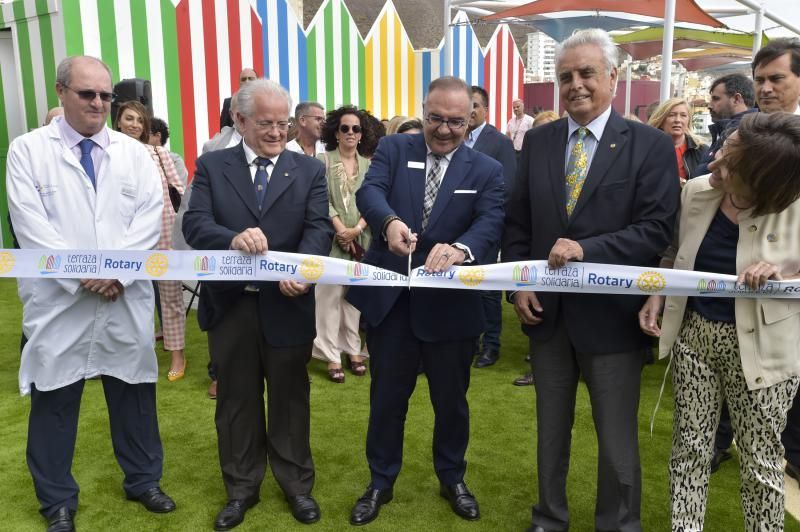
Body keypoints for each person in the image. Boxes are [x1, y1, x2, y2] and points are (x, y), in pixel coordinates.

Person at [503, 29, 679, 532]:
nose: (575, 85)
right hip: (547, 317)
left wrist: (587, 250)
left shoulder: (649, 145)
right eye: (565, 77)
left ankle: (619, 524)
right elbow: (518, 222)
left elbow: (655, 229)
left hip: (612, 318)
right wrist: (520, 283)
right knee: (551, 431)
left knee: (616, 440)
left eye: (586, 73)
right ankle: (548, 517)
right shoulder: (537, 141)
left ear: (614, 77)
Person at [6, 55, 176, 532]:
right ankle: (57, 499)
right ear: (61, 92)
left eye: (105, 95)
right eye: (88, 94)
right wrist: (83, 274)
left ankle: (143, 480)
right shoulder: (27, 151)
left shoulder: (134, 154)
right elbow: (30, 224)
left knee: (134, 393)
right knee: (55, 398)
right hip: (60, 300)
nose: (99, 103)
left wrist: (116, 272)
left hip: (123, 295)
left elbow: (148, 218)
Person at [345, 76, 505, 526]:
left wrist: (462, 250)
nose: (445, 129)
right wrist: (390, 222)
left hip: (452, 311)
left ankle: (452, 476)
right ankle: (380, 481)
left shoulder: (487, 170)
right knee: (386, 400)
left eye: (456, 121)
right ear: (424, 110)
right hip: (392, 305)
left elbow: (491, 221)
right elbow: (369, 192)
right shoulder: (395, 150)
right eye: (436, 118)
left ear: (471, 118)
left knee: (451, 402)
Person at [639, 112, 800, 531]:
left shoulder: (794, 206)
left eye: (730, 167)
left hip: (766, 350)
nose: (713, 166)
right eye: (722, 152)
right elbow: (676, 251)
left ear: (766, 185)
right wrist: (659, 292)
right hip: (696, 339)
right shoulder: (695, 191)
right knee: (690, 449)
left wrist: (786, 279)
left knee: (760, 460)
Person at [183, 78, 332, 530]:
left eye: (283, 123)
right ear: (240, 120)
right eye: (266, 123)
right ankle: (241, 489)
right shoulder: (212, 166)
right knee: (236, 401)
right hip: (230, 308)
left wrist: (301, 272)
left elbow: (318, 230)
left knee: (290, 399)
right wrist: (231, 238)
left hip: (287, 306)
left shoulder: (308, 170)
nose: (276, 132)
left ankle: (297, 487)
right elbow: (194, 224)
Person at [749, 36, 800, 488]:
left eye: (776, 78)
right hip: (749, 303)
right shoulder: (746, 135)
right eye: (759, 79)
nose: (765, 88)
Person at [115, 100, 187, 382]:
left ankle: (177, 354)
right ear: (118, 121)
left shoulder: (158, 154)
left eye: (139, 120)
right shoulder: (108, 153)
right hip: (123, 234)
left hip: (163, 230)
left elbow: (180, 191)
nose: (134, 124)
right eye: (128, 118)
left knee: (170, 296)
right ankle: (132, 353)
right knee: (128, 295)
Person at [312, 105, 371, 383]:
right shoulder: (322, 161)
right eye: (345, 128)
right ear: (335, 133)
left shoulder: (370, 165)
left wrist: (357, 229)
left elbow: (374, 201)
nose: (350, 133)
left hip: (362, 239)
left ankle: (353, 349)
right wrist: (340, 230)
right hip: (331, 239)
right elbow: (321, 200)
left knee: (354, 300)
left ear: (361, 135)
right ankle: (331, 354)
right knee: (329, 298)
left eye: (355, 128)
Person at [465, 85, 517, 369]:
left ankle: (491, 345)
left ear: (485, 108)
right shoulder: (452, 138)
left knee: (486, 289)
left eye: (475, 105)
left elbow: (508, 187)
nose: (470, 110)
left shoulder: (499, 142)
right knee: (463, 289)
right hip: (457, 230)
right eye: (466, 104)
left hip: (486, 229)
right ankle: (470, 340)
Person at [692, 73, 756, 177]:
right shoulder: (726, 129)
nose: (709, 106)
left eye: (716, 99)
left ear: (736, 99)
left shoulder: (744, 133)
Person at [647, 98, 708, 184]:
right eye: (671, 115)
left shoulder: (701, 150)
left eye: (683, 115)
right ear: (661, 120)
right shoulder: (648, 149)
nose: (677, 120)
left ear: (688, 121)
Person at [149, 117, 189, 184]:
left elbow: (179, 190)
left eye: (145, 132)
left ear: (157, 136)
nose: (141, 136)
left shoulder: (175, 160)